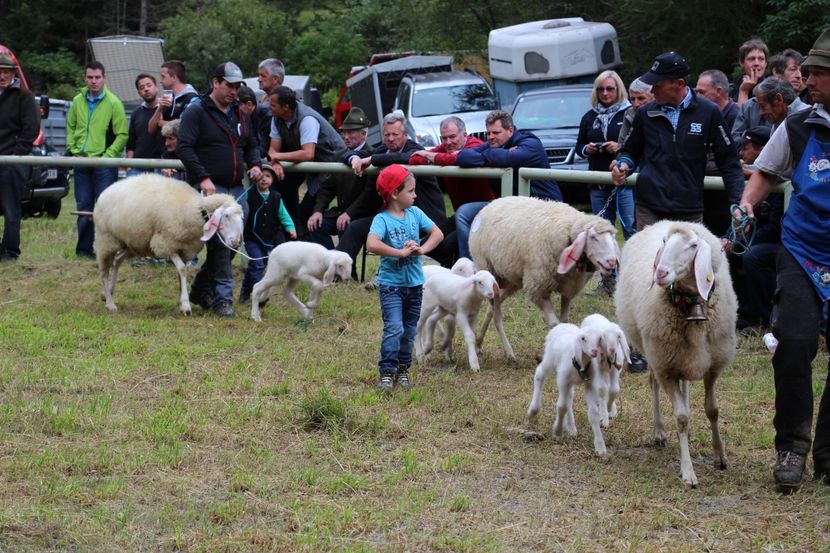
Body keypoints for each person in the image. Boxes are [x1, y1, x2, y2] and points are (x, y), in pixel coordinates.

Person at [737, 29, 830, 494]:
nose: (806, 81)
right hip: (802, 250)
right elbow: (766, 171)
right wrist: (747, 203)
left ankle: (828, 453)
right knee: (792, 341)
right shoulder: (798, 126)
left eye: (816, 73)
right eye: (806, 72)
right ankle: (791, 446)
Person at [611, 51, 744, 231]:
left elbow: (729, 162)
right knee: (648, 251)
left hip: (689, 210)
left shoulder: (709, 112)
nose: (652, 90)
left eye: (658, 85)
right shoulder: (644, 113)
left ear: (679, 83)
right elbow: (630, 151)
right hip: (648, 208)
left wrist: (738, 205)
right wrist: (623, 165)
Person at [177, 61, 262, 317]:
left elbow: (251, 145)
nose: (234, 91)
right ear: (215, 82)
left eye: (237, 87)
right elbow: (184, 147)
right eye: (229, 86)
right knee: (221, 245)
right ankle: (223, 300)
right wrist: (202, 177)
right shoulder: (197, 111)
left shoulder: (240, 114)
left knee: (232, 242)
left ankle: (200, 289)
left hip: (237, 188)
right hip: (211, 191)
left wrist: (255, 164)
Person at [339, 111, 448, 285]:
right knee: (355, 227)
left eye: (395, 134)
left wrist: (371, 159)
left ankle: (383, 276)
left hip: (423, 216)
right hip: (391, 215)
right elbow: (351, 154)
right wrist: (355, 158)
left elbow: (405, 158)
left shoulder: (415, 150)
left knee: (400, 228)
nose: (390, 139)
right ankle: (341, 275)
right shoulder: (383, 150)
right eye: (387, 135)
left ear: (405, 135)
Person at [366, 164, 443, 391]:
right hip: (392, 286)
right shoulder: (382, 219)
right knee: (394, 328)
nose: (415, 195)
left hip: (415, 285)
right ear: (394, 194)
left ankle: (403, 370)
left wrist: (422, 250)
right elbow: (372, 243)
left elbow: (437, 233)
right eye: (410, 191)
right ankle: (387, 372)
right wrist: (399, 252)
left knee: (409, 330)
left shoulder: (415, 213)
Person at [454, 109, 562, 260]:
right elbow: (463, 157)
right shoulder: (495, 145)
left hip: (542, 208)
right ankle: (469, 266)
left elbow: (511, 159)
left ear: (510, 130)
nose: (490, 137)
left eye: (496, 132)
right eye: (488, 133)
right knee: (463, 213)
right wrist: (498, 155)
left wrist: (493, 156)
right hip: (507, 207)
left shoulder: (530, 142)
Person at [409, 115, 496, 267]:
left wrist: (431, 156)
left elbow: (460, 159)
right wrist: (434, 156)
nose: (448, 142)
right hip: (460, 215)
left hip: (485, 213)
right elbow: (415, 160)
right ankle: (459, 271)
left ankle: (468, 270)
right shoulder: (445, 149)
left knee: (448, 245)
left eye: (452, 137)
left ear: (464, 135)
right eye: (444, 138)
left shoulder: (475, 146)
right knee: (428, 243)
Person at [66, 61, 128, 259]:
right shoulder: (77, 101)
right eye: (90, 77)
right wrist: (73, 149)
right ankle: (84, 250)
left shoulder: (114, 103)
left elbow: (122, 134)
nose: (93, 81)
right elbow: (71, 126)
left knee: (105, 208)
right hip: (82, 162)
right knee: (83, 207)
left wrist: (107, 157)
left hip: (104, 164)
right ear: (85, 78)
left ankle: (106, 250)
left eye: (97, 77)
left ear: (104, 78)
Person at [267, 85, 346, 231]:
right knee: (294, 207)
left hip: (332, 167)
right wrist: (275, 162)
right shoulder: (276, 118)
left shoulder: (307, 119)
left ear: (285, 107)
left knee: (306, 212)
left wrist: (277, 157)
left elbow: (308, 154)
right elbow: (273, 149)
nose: (269, 108)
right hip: (314, 169)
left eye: (273, 105)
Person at [307, 107, 379, 251]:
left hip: (363, 216)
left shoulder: (372, 156)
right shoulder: (340, 155)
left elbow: (369, 194)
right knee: (316, 225)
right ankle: (330, 260)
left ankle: (344, 264)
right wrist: (318, 210)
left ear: (363, 134)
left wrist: (349, 213)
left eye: (351, 132)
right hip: (342, 212)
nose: (346, 137)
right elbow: (328, 187)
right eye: (344, 132)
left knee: (345, 225)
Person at [238, 161, 296, 304]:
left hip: (268, 239)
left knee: (259, 266)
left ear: (273, 179)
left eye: (268, 176)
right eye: (261, 176)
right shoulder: (249, 195)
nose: (264, 179)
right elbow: (240, 211)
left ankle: (245, 293)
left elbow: (283, 215)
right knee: (257, 265)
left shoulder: (276, 197)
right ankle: (258, 295)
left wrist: (290, 228)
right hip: (252, 238)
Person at [0, 52, 39, 262]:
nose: (2, 76)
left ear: (13, 74)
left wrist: (16, 155)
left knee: (11, 208)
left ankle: (10, 251)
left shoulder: (24, 96)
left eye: (6, 72)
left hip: (13, 161)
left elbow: (31, 129)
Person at [126, 73, 163, 175]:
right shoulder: (136, 113)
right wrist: (129, 167)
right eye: (142, 88)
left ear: (156, 87)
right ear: (139, 93)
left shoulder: (167, 109)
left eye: (149, 85)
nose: (146, 89)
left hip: (161, 165)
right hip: (138, 167)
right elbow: (131, 143)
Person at [148, 60, 198, 135]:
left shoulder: (192, 99)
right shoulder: (168, 98)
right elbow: (150, 130)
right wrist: (159, 109)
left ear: (174, 77)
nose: (160, 81)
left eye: (163, 77)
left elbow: (186, 126)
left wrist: (162, 122)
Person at [730, 38, 769, 105]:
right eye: (751, 59)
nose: (756, 63)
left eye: (761, 59)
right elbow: (740, 112)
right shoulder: (731, 90)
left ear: (766, 63)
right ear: (742, 63)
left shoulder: (772, 89)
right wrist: (743, 91)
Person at [237, 85, 271, 158]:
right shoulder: (242, 117)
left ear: (249, 104)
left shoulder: (267, 117)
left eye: (235, 106)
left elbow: (264, 150)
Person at [618, 78, 653, 146]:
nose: (636, 104)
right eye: (633, 99)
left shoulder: (662, 114)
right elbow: (621, 145)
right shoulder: (629, 114)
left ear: (653, 97)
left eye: (641, 98)